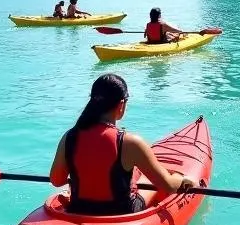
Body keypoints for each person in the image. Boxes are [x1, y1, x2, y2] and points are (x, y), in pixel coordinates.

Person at [49, 74, 196, 215]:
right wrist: (179, 178)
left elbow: (57, 180)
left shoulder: (70, 137)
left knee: (131, 172)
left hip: (78, 209)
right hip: (120, 212)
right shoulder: (130, 142)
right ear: (121, 105)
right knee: (145, 179)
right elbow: (169, 186)